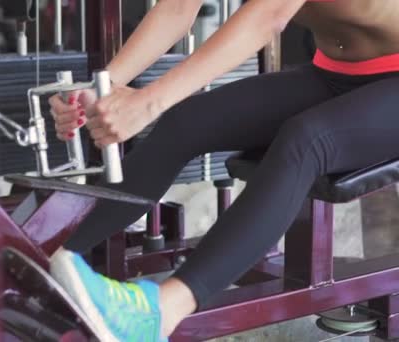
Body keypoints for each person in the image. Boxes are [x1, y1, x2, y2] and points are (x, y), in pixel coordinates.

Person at [47, 0, 399, 340]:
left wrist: (146, 103)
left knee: (305, 142)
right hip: (337, 73)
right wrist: (102, 89)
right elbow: (177, 9)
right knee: (184, 123)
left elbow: (269, 16)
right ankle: (52, 261)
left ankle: (158, 315)